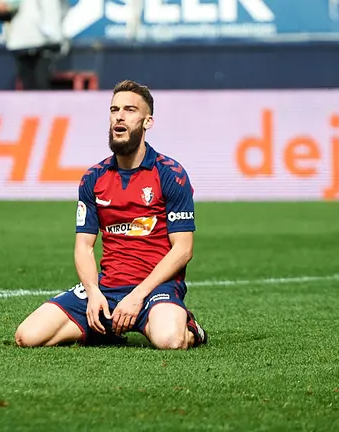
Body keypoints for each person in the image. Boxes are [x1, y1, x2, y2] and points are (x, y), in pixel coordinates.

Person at [15, 80, 208, 349]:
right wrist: (93, 293)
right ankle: (105, 326)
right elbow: (84, 246)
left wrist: (138, 295)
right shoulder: (93, 178)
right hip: (106, 288)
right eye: (114, 109)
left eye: (130, 110)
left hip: (155, 289)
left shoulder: (170, 174)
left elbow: (183, 249)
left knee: (171, 340)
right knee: (28, 336)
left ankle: (190, 328)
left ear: (147, 122)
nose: (119, 115)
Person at [0, 0, 70, 90]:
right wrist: (1, 9)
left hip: (46, 43)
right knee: (29, 86)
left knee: (41, 84)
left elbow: (60, 11)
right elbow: (0, 9)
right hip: (21, 42)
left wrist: (55, 35)